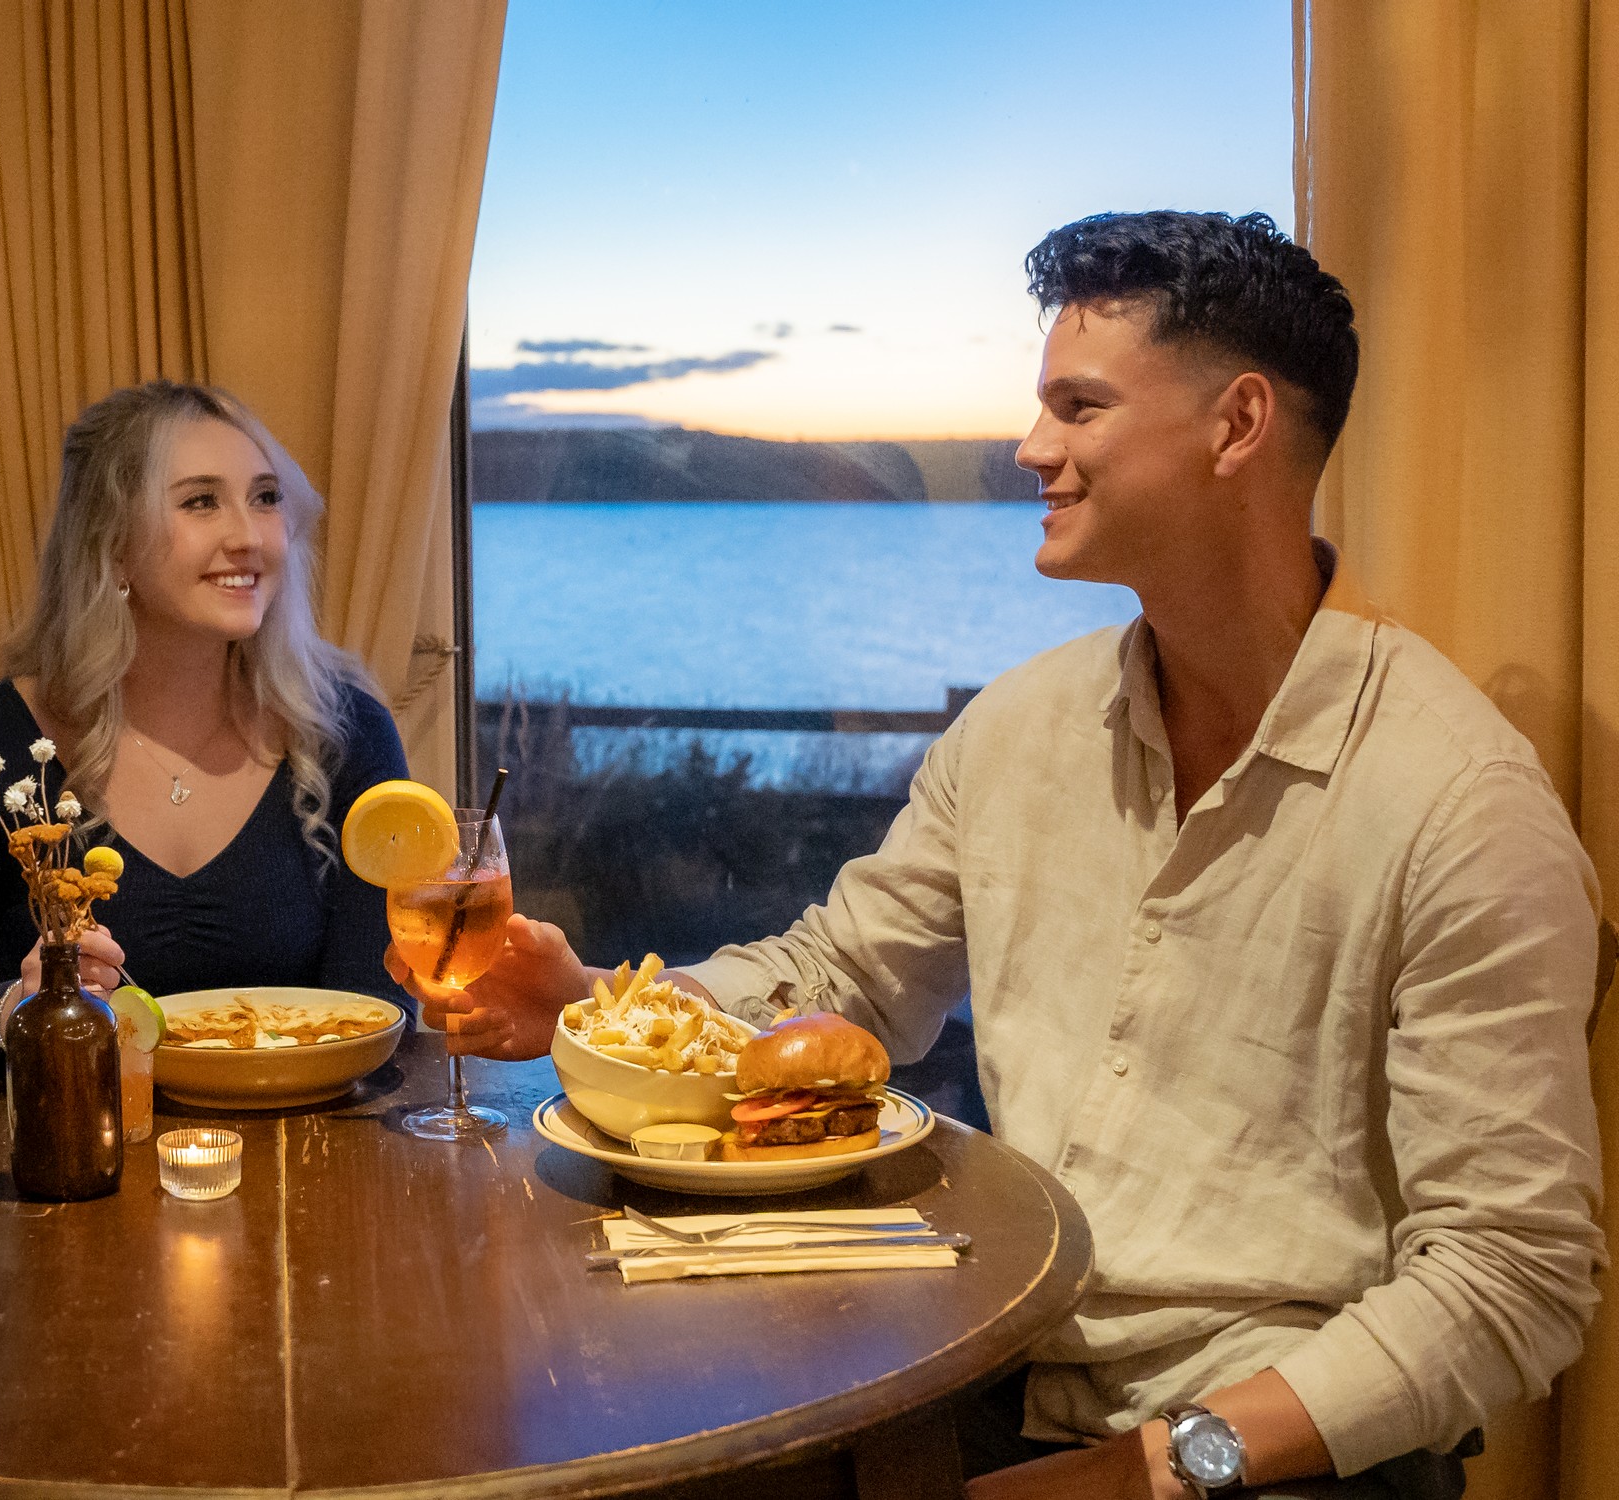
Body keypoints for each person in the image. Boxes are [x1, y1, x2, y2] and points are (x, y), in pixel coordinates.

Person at [389, 213, 1605, 1499]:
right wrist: (595, 1012)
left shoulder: (1454, 800)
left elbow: (1512, 1280)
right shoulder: (1021, 729)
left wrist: (1167, 1468)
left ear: (1235, 427)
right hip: (986, 1365)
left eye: (1077, 407)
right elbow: (844, 978)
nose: (1030, 448)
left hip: (1267, 1446)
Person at [0, 381, 407, 1076]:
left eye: (265, 498)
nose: (248, 536)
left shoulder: (346, 734)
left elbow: (379, 1010)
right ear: (113, 545)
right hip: (77, 1163)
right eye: (201, 501)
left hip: (304, 1159)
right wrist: (19, 1007)